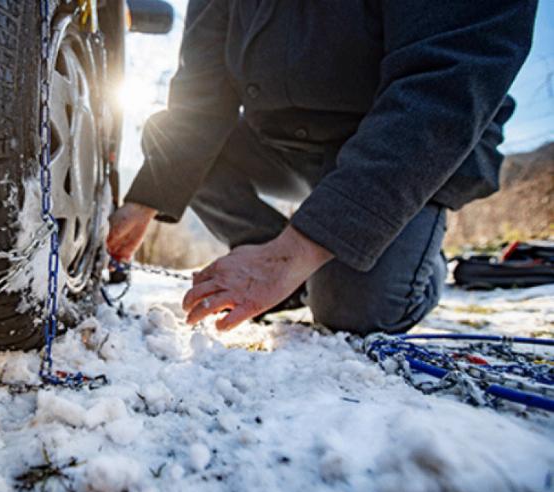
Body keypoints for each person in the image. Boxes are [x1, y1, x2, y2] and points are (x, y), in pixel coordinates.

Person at [106, 0, 537, 334]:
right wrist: (146, 198)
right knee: (169, 135)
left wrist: (292, 253)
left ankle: (412, 253)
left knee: (354, 309)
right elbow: (201, 94)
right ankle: (282, 267)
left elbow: (445, 87)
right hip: (282, 143)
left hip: (402, 146)